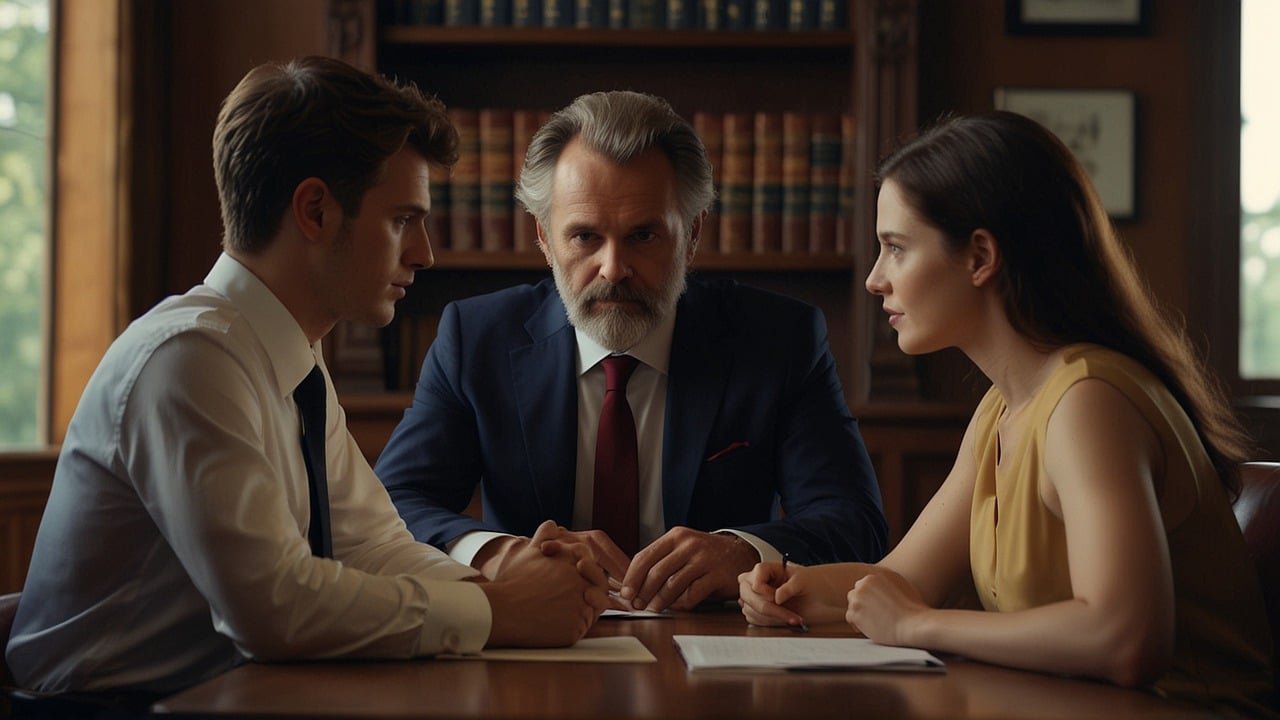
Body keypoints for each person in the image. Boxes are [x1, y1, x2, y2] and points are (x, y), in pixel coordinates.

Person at [5, 56, 607, 697]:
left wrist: (520, 588)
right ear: (316, 211)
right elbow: (273, 609)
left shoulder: (291, 357)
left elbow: (372, 546)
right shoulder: (188, 359)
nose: (424, 253)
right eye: (402, 219)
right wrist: (500, 611)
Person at [738, 111, 1276, 717]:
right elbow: (903, 581)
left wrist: (919, 626)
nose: (873, 280)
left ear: (980, 257)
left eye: (895, 249)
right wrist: (793, 584)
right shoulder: (1003, 407)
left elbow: (1124, 640)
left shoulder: (1088, 401)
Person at [374, 90, 887, 614]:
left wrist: (738, 551)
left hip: (716, 648)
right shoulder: (477, 338)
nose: (613, 268)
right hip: (537, 641)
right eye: (585, 237)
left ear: (691, 237)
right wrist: (500, 552)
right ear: (545, 238)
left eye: (643, 235)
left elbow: (854, 522)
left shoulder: (779, 339)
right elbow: (391, 508)